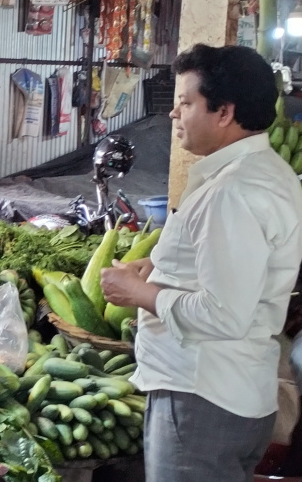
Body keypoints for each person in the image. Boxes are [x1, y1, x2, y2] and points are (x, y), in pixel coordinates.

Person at [99, 43, 302, 482]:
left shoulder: (233, 192)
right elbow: (232, 272)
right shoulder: (264, 172)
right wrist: (160, 269)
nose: (173, 115)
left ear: (224, 112)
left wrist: (142, 294)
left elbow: (224, 313)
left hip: (202, 398)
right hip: (229, 394)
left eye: (186, 103)